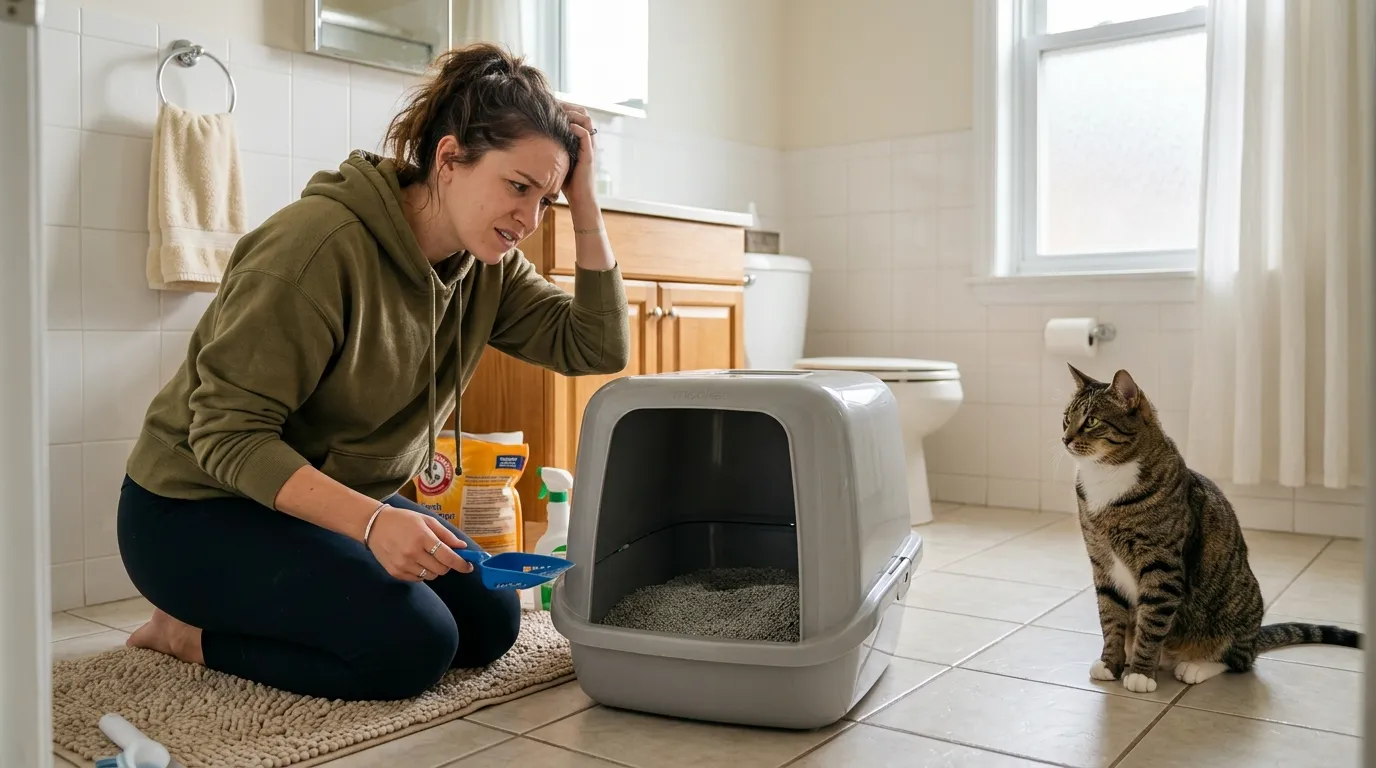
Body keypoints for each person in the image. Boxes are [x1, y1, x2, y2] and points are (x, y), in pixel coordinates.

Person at [116, 43, 630, 701]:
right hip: (193, 512)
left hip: (317, 500)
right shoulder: (315, 250)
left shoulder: (484, 268)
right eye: (518, 187)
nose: (528, 221)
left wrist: (585, 203)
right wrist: (370, 524)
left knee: (489, 622)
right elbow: (226, 438)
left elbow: (596, 346)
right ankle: (187, 634)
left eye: (546, 200)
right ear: (449, 160)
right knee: (412, 649)